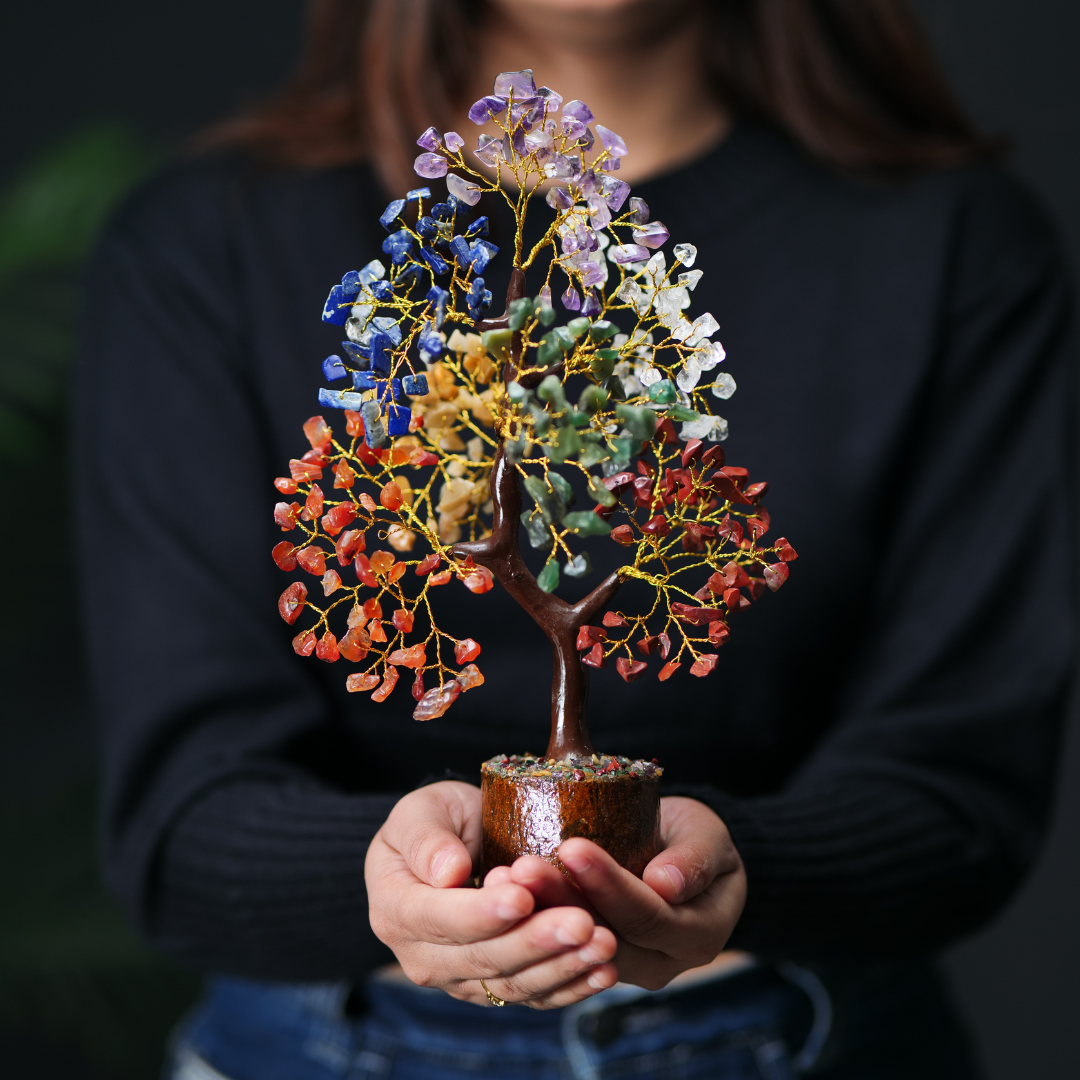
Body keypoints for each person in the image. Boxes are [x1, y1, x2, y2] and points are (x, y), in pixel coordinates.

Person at [76, 1, 1075, 1077]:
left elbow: (961, 787)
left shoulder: (957, 243)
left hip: (817, 1037)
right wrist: (404, 874)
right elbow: (181, 822)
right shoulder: (206, 242)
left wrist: (739, 867)